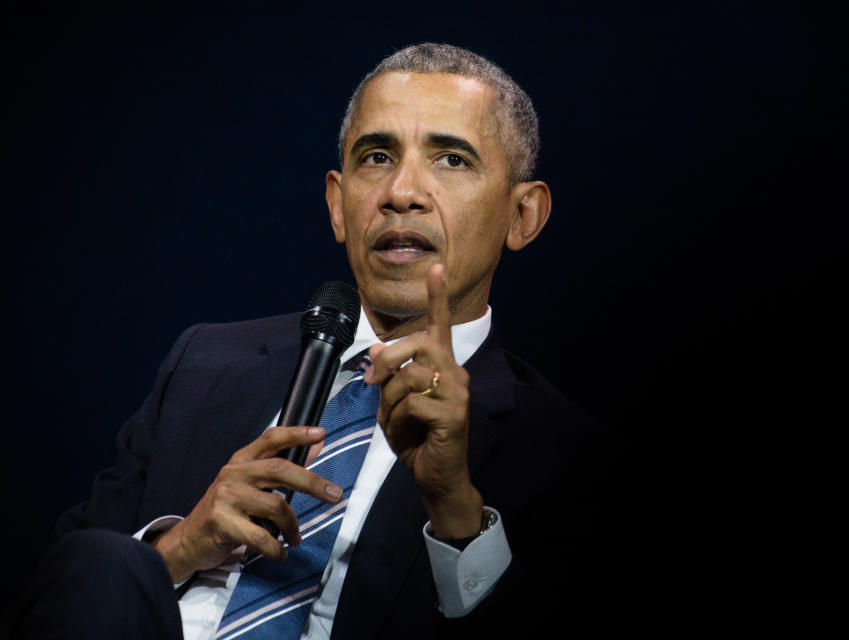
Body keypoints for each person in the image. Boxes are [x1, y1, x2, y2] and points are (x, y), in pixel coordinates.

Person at [9, 43, 625, 640]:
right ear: (337, 204)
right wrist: (180, 547)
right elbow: (66, 587)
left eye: (451, 160)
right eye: (377, 157)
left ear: (524, 216)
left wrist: (455, 507)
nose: (401, 193)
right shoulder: (205, 363)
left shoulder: (570, 456)